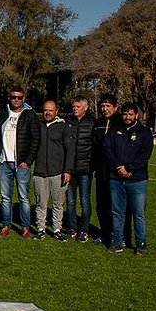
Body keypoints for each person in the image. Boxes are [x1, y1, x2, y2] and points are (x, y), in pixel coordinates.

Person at [103, 102, 154, 255]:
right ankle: (118, 240)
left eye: (130, 114)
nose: (127, 117)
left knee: (138, 213)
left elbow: (145, 155)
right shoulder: (114, 130)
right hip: (116, 178)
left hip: (137, 179)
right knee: (117, 212)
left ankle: (141, 243)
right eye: (125, 114)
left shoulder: (144, 132)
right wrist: (118, 167)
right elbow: (106, 149)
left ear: (136, 116)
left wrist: (129, 168)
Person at [0, 87, 41, 238]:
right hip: (4, 162)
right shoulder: (3, 114)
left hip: (21, 163)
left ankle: (25, 227)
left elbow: (35, 139)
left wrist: (27, 161)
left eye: (19, 97)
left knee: (23, 197)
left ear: (23, 98)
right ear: (9, 97)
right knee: (5, 197)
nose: (16, 100)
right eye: (13, 97)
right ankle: (5, 226)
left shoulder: (29, 115)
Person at [32, 100, 74, 240]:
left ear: (56, 111)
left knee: (57, 203)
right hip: (40, 172)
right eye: (45, 110)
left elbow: (70, 150)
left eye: (50, 110)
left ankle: (56, 229)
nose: (47, 113)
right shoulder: (38, 126)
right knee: (41, 202)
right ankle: (41, 229)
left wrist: (67, 170)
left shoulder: (63, 127)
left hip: (58, 172)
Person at [65, 96, 95, 242]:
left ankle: (84, 230)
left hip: (85, 170)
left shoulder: (91, 123)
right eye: (73, 106)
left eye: (77, 106)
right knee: (70, 201)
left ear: (85, 107)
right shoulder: (68, 122)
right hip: (70, 169)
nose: (74, 109)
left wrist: (91, 166)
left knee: (84, 201)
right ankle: (72, 228)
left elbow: (94, 146)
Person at [92, 93, 119, 245]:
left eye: (108, 106)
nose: (104, 109)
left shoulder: (120, 123)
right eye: (102, 106)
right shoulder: (98, 123)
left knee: (116, 206)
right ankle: (104, 232)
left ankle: (118, 235)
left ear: (115, 107)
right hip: (100, 172)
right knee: (101, 205)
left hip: (115, 173)